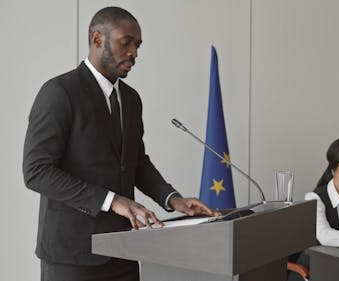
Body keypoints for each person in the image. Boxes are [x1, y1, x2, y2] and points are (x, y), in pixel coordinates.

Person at [22, 7, 218, 281]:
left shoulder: (131, 99)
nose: (134, 53)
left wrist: (172, 199)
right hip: (72, 257)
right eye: (126, 42)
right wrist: (112, 200)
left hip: (124, 251)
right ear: (97, 39)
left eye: (137, 46)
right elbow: (36, 172)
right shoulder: (59, 93)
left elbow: (136, 163)